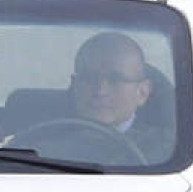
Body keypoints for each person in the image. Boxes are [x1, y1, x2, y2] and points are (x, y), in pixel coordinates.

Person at [70, 32, 172, 162]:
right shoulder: (42, 143)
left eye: (115, 79)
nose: (100, 91)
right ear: (74, 85)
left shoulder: (167, 155)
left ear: (142, 92)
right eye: (89, 78)